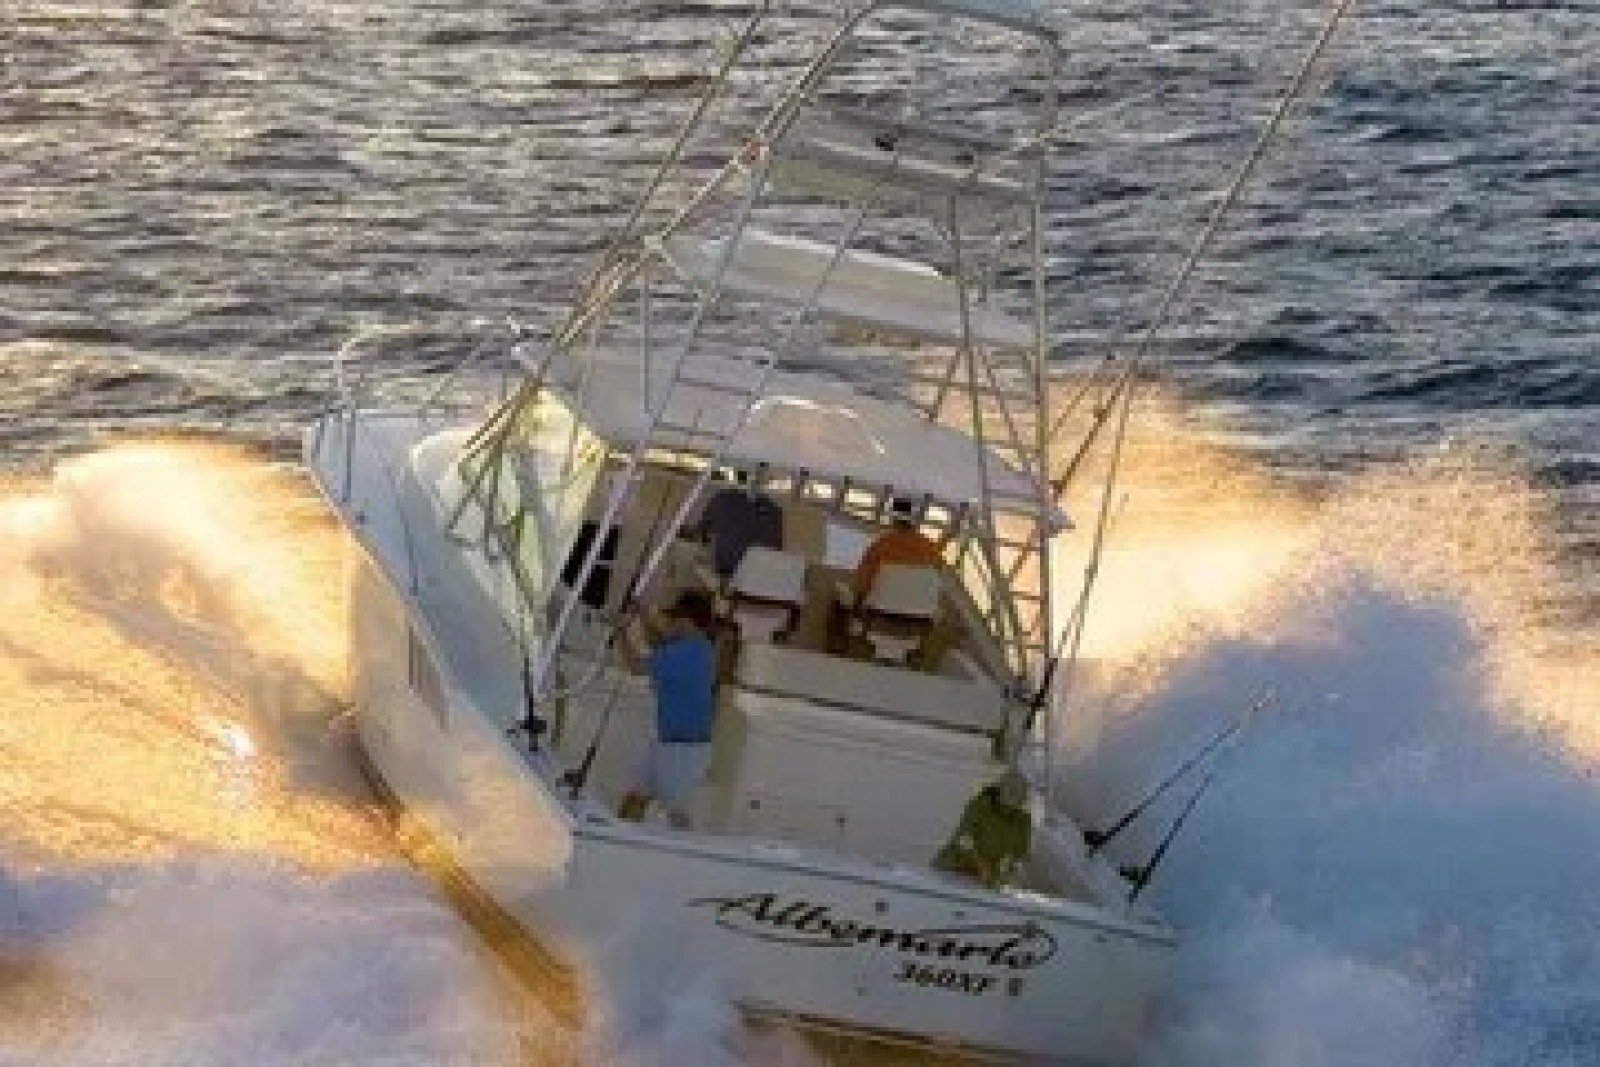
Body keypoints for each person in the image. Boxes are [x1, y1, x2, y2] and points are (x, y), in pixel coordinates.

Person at [616, 588, 718, 828]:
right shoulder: (694, 646)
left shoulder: (687, 651)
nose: (670, 622)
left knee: (676, 818)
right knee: (636, 795)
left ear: (687, 620)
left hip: (684, 753)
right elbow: (658, 641)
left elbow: (636, 667)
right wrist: (641, 615)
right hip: (663, 743)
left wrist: (620, 631)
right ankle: (619, 839)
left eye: (675, 618)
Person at [932, 770, 1034, 889]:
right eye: (1010, 792)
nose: (1014, 799)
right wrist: (981, 865)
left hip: (986, 880)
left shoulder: (1024, 820)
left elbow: (1020, 853)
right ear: (999, 790)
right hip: (953, 868)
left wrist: (1009, 868)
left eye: (1019, 796)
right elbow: (963, 840)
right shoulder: (979, 805)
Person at [696, 469, 785, 585]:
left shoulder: (721, 499)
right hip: (758, 577)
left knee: (696, 562)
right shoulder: (775, 511)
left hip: (725, 570)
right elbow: (777, 550)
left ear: (737, 476)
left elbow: (702, 531)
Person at [850, 497, 942, 601]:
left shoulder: (883, 544)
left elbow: (862, 581)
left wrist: (857, 603)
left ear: (893, 519)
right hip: (921, 609)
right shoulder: (931, 548)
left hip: (883, 605)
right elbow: (936, 578)